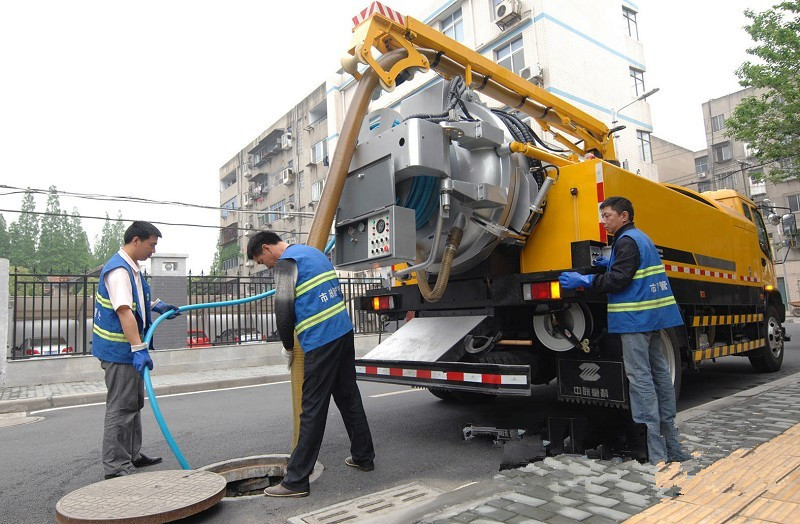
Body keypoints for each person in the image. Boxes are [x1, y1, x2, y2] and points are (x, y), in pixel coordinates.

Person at [558, 196, 690, 465]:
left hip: (634, 319)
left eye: (607, 215)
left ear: (624, 217)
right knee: (660, 377)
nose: (603, 221)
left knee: (640, 380)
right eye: (602, 216)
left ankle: (653, 451)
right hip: (652, 319)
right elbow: (631, 269)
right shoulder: (640, 238)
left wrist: (584, 279)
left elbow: (618, 280)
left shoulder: (626, 241)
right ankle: (672, 447)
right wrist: (612, 262)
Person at [247, 231, 375, 498]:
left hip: (321, 339)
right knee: (348, 396)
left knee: (312, 408)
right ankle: (364, 457)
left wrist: (287, 346)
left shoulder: (286, 264)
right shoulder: (313, 253)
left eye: (261, 260)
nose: (265, 266)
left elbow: (283, 312)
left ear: (267, 248)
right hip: (343, 332)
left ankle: (295, 482)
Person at [92, 221, 181, 479]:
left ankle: (131, 454)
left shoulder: (132, 269)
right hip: (119, 351)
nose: (153, 250)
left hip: (126, 350)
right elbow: (123, 311)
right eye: (151, 244)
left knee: (133, 403)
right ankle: (116, 465)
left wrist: (156, 305)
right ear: (135, 241)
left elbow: (135, 299)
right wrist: (139, 348)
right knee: (120, 407)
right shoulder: (119, 271)